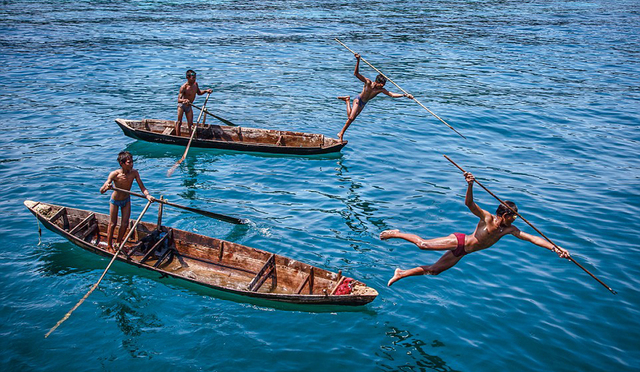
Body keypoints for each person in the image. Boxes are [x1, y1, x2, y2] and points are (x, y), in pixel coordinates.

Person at [380, 172, 571, 286]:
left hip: (462, 252)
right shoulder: (487, 218)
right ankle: (397, 233)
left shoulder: (510, 230)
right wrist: (470, 185)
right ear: (501, 215)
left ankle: (401, 273)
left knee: (434, 270)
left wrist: (556, 248)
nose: (513, 220)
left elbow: (533, 238)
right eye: (511, 216)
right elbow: (469, 204)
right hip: (460, 241)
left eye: (514, 217)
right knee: (422, 245)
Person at [336, 53, 414, 142]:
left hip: (363, 103)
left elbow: (392, 94)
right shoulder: (368, 83)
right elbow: (356, 74)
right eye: (380, 85)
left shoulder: (380, 90)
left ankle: (347, 100)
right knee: (351, 118)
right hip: (358, 99)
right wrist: (358, 60)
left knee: (350, 117)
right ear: (376, 81)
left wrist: (405, 95)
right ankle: (341, 133)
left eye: (382, 86)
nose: (381, 87)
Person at [100, 151, 154, 250]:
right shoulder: (115, 174)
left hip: (126, 200)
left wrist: (148, 196)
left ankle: (118, 243)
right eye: (129, 162)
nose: (132, 164)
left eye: (132, 162)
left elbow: (142, 187)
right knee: (113, 223)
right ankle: (109, 245)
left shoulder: (134, 173)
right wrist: (107, 187)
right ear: (122, 163)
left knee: (125, 224)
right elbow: (101, 190)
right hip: (115, 201)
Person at [176, 69, 213, 136]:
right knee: (179, 122)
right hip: (182, 106)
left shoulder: (195, 84)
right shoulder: (184, 87)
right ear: (187, 78)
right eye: (193, 78)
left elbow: (199, 93)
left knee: (190, 124)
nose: (194, 79)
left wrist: (206, 91)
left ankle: (191, 136)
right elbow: (179, 100)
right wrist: (184, 100)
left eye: (195, 78)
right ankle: (177, 137)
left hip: (189, 106)